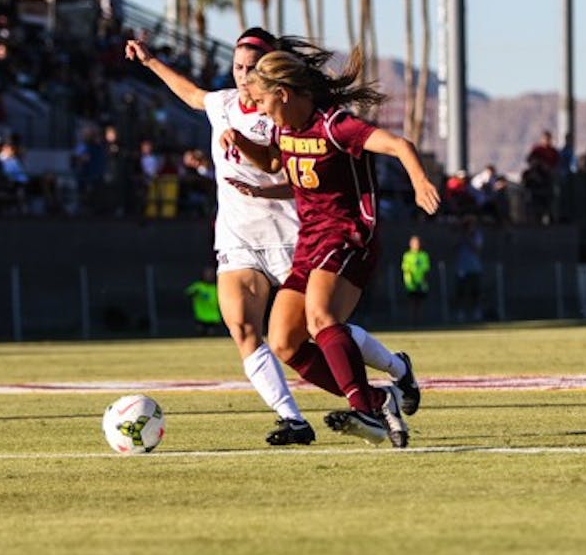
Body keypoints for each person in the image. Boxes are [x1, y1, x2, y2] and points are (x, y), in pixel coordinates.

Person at [126, 28, 419, 447]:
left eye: (251, 69)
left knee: (321, 324)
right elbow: (191, 94)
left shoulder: (282, 112)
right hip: (237, 238)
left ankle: (394, 368)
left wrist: (261, 178)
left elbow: (303, 177)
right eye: (237, 67)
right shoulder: (223, 103)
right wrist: (151, 61)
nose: (243, 76)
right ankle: (295, 417)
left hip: (291, 234)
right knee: (250, 330)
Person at [238, 43, 440, 448]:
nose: (258, 110)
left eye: (261, 100)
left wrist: (419, 181)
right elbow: (281, 166)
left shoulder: (335, 125)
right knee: (282, 341)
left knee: (320, 315)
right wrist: (245, 153)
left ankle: (364, 412)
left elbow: (400, 145)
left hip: (349, 233)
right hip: (309, 241)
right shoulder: (284, 127)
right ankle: (376, 400)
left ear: (283, 93)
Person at [454, 215, 484, 322]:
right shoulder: (461, 235)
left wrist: (468, 237)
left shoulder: (477, 235)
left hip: (475, 268)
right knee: (461, 291)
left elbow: (477, 249)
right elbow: (455, 246)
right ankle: (460, 313)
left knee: (475, 291)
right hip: (462, 268)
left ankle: (476, 312)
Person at [401, 235, 431, 326]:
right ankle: (411, 322)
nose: (416, 245)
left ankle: (420, 322)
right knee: (412, 303)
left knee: (420, 303)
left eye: (418, 243)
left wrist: (423, 280)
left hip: (421, 283)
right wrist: (410, 279)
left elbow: (426, 268)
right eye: (414, 243)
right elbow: (405, 268)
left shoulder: (423, 255)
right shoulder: (407, 255)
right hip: (411, 284)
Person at [186, 267, 223, 335]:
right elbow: (188, 294)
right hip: (200, 317)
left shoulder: (217, 287)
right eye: (207, 274)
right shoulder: (198, 286)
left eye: (211, 274)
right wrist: (195, 293)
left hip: (214, 318)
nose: (209, 276)